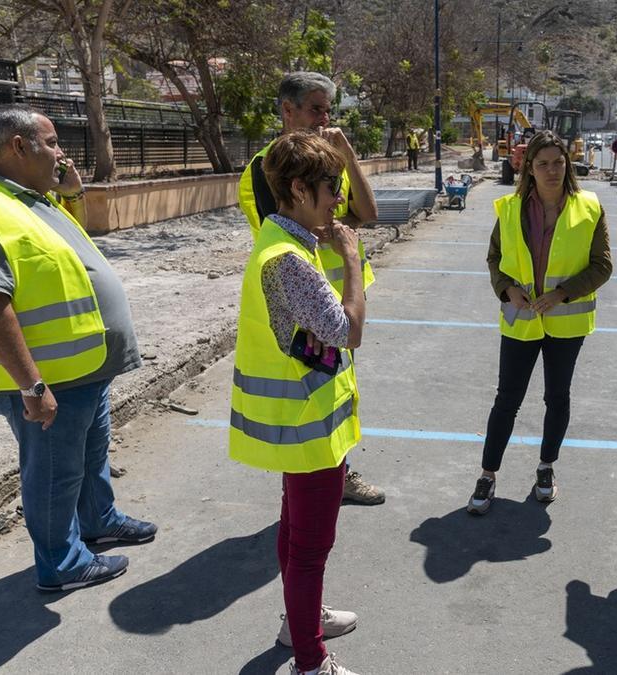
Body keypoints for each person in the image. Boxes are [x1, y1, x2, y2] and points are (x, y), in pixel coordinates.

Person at [0, 104, 156, 592]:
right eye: (52, 143)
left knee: (91, 455)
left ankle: (98, 520)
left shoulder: (31, 199)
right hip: (47, 378)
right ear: (18, 146)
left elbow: (60, 261)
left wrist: (68, 191)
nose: (61, 153)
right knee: (55, 473)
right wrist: (32, 386)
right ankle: (61, 562)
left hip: (84, 367)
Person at [229, 130, 367, 675]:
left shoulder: (282, 242)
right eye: (330, 188)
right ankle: (310, 662)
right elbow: (347, 331)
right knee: (310, 548)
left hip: (302, 420)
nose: (339, 199)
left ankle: (298, 623)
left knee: (293, 531)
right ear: (296, 188)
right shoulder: (288, 258)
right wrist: (352, 259)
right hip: (307, 427)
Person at [238, 71, 384, 506]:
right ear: (288, 109)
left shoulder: (328, 159)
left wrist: (348, 156)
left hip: (342, 296)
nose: (325, 118)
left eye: (327, 109)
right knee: (309, 394)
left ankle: (336, 470)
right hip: (306, 301)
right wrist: (341, 232)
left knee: (338, 391)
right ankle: (317, 479)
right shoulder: (269, 167)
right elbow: (310, 229)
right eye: (315, 108)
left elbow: (367, 213)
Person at [467, 130, 613, 515]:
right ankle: (488, 474)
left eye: (558, 162)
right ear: (528, 168)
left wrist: (563, 293)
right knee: (507, 400)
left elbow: (602, 266)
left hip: (566, 324)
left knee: (557, 398)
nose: (552, 171)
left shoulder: (590, 207)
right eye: (543, 164)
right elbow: (495, 259)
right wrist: (507, 290)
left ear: (568, 165)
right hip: (521, 318)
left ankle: (546, 467)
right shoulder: (510, 208)